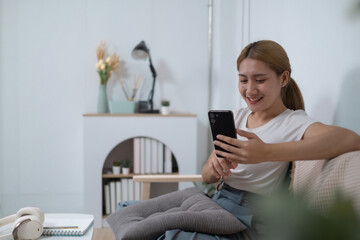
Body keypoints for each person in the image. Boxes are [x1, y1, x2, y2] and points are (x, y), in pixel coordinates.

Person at [201, 40, 360, 238]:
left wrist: (265, 152)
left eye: (260, 80)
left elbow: (351, 139)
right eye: (243, 80)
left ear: (283, 78)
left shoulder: (293, 121)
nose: (250, 90)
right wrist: (213, 165)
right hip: (218, 202)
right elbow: (207, 177)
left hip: (250, 217)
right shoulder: (238, 116)